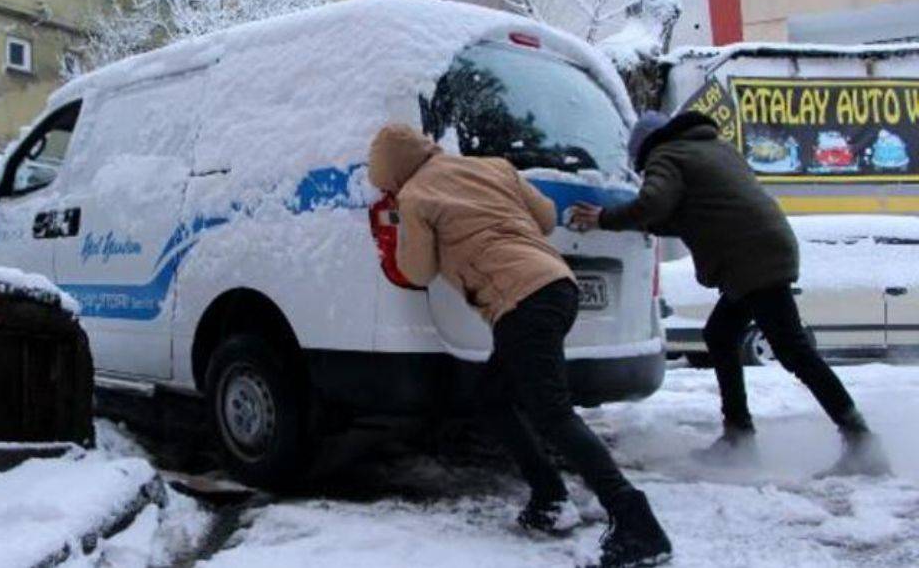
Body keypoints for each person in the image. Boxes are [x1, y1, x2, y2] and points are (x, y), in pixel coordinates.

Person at [368, 123, 672, 568]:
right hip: (556, 286)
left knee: (552, 413)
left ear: (393, 172)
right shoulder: (492, 168)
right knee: (491, 398)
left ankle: (635, 521)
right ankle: (549, 497)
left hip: (521, 301)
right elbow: (546, 216)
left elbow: (417, 271)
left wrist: (404, 217)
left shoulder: (416, 196)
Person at [570, 111, 891, 477]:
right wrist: (641, 224)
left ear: (644, 149)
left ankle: (862, 442)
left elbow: (655, 203)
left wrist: (603, 219)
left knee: (793, 349)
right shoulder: (713, 148)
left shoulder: (667, 155)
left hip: (752, 258)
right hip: (767, 246)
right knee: (721, 334)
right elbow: (699, 211)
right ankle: (738, 435)